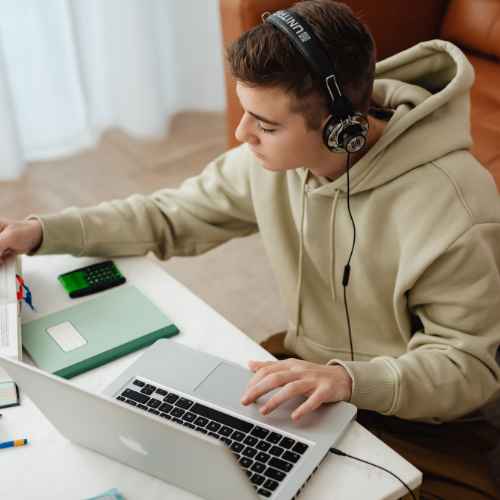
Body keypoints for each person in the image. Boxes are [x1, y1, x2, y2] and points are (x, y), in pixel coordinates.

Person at [1, 1, 500, 498]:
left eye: (266, 124)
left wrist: (349, 381)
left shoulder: (456, 210)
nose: (242, 134)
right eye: (245, 111)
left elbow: (470, 368)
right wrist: (42, 232)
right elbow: (169, 214)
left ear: (338, 128)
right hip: (300, 373)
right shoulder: (269, 162)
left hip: (419, 415)